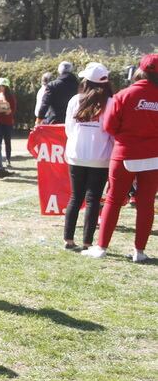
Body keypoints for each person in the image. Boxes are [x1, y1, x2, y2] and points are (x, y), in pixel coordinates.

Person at [83, 54, 158, 262]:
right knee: (146, 204)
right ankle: (139, 252)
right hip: (154, 156)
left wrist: (127, 137)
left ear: (140, 71)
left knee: (114, 200)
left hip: (124, 153)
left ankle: (101, 247)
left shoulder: (124, 95)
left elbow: (109, 126)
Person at [62, 63, 114, 251]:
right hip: (100, 157)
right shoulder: (110, 102)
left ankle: (68, 239)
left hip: (77, 155)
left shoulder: (75, 100)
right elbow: (112, 133)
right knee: (93, 199)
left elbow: (69, 129)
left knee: (76, 197)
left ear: (87, 81)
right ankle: (87, 242)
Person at [0, 78, 17, 167]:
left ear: (5, 87)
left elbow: (12, 110)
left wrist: (7, 109)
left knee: (7, 141)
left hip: (7, 122)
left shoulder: (10, 97)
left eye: (0, 85)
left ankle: (8, 159)